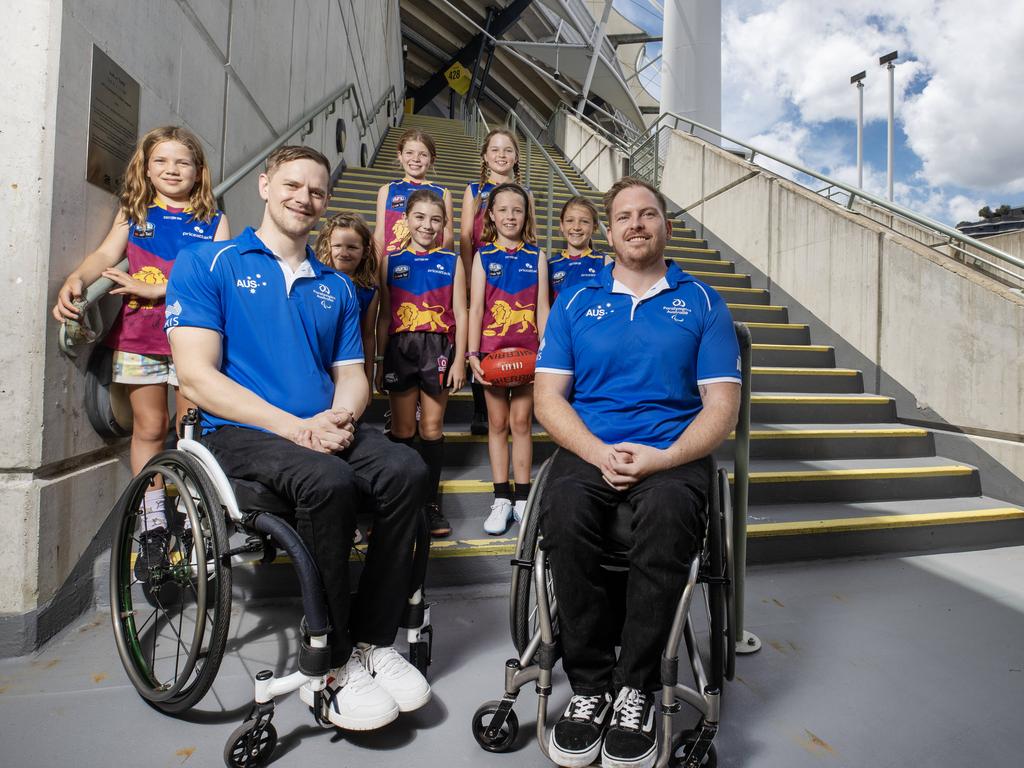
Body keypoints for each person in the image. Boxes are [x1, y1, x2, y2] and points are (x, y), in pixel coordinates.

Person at [165, 145, 430, 732]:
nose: (302, 198)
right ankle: (330, 664)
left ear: (325, 202)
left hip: (320, 425)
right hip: (240, 432)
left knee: (408, 471)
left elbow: (353, 375)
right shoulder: (207, 263)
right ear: (264, 185)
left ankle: (371, 641)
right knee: (328, 481)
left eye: (315, 190)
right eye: (291, 185)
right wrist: (296, 429)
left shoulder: (334, 286)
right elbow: (197, 376)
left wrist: (340, 416)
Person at [534, 177, 741, 768]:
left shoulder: (702, 301)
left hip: (671, 453)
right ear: (608, 229)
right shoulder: (576, 301)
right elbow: (549, 399)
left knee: (672, 514)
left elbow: (721, 408)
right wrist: (597, 451)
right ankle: (592, 686)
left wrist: (664, 457)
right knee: (565, 514)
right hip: (588, 447)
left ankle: (635, 689)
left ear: (665, 225)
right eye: (624, 216)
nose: (636, 224)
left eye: (648, 214)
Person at [52, 125, 229, 580]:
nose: (172, 170)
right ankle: (153, 525)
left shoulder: (213, 219)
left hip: (193, 337)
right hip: (139, 337)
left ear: (198, 170)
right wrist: (79, 279)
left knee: (190, 430)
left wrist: (162, 287)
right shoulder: (135, 211)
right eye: (161, 161)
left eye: (182, 162)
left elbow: (216, 279)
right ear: (146, 168)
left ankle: (195, 518)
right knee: (149, 429)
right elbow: (105, 255)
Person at [376, 189, 467, 538]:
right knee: (402, 431)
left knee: (430, 429)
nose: (427, 226)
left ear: (444, 224)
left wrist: (459, 360)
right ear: (406, 220)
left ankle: (429, 504)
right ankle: (400, 504)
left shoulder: (452, 262)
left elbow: (461, 312)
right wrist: (381, 361)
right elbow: (384, 316)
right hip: (401, 346)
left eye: (435, 219)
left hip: (438, 348)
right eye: (420, 217)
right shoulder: (391, 261)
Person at [467, 182, 549, 536]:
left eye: (517, 210)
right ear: (492, 215)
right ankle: (501, 497)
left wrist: (547, 352)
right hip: (492, 356)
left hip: (529, 355)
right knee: (498, 425)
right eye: (503, 210)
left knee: (521, 425)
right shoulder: (482, 256)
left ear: (526, 215)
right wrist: (471, 354)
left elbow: (542, 308)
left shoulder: (538, 256)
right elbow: (476, 310)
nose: (510, 216)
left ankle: (522, 498)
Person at [460, 128, 527, 436]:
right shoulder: (474, 190)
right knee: (481, 338)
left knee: (508, 338)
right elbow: (464, 238)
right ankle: (480, 410)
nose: (502, 155)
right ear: (485, 156)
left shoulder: (523, 193)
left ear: (516, 156)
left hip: (513, 275)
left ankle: (515, 399)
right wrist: (468, 281)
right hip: (481, 271)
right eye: (496, 150)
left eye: (508, 150)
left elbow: (531, 235)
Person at [314, 212, 379, 390]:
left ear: (365, 251)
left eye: (352, 247)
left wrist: (367, 381)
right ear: (328, 246)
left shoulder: (369, 291)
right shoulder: (314, 281)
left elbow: (367, 336)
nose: (344, 253)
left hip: (349, 367)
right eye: (337, 246)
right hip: (317, 365)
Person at [374, 128, 454, 256]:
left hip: (431, 264)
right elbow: (379, 235)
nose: (415, 159)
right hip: (392, 264)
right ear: (400, 155)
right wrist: (376, 270)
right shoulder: (387, 190)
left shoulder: (442, 193)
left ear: (432, 159)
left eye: (423, 154)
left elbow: (447, 235)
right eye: (409, 153)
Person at [548, 196, 608, 302]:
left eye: (584, 221)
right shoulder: (549, 265)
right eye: (570, 220)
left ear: (594, 227)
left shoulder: (604, 262)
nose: (576, 227)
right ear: (561, 225)